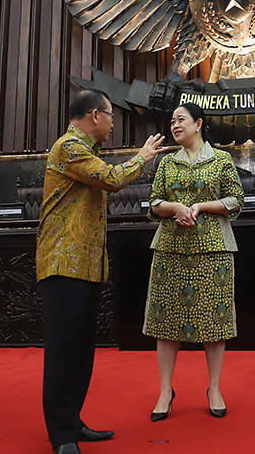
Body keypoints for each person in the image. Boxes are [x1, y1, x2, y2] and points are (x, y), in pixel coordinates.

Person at [37, 89, 167, 454]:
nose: (113, 124)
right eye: (111, 116)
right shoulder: (68, 146)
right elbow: (111, 179)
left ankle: (72, 421)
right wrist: (141, 157)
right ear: (95, 115)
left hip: (86, 266)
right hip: (64, 263)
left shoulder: (85, 150)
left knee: (80, 351)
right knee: (64, 351)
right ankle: (61, 435)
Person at [145, 103, 244, 422]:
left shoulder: (221, 159)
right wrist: (174, 207)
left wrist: (200, 206)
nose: (175, 125)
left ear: (198, 124)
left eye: (181, 120)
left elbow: (236, 200)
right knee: (166, 322)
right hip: (170, 249)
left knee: (214, 324)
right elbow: (154, 202)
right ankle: (165, 390)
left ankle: (214, 388)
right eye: (172, 121)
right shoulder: (167, 163)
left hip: (212, 249)